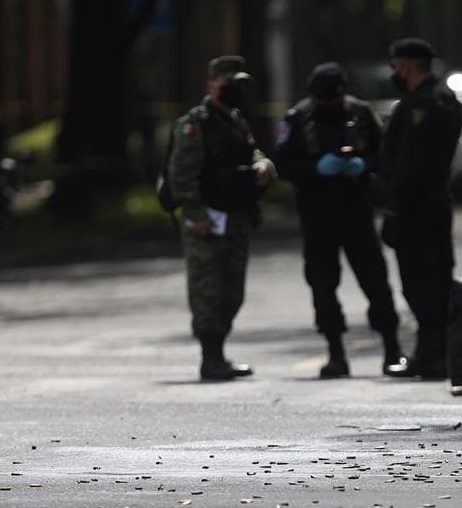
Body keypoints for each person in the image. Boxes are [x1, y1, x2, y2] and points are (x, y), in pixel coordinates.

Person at [274, 62, 405, 379]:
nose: (328, 105)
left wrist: (363, 164)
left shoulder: (360, 113)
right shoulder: (298, 118)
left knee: (375, 280)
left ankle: (392, 349)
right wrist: (316, 169)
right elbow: (283, 163)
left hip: (356, 210)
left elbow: (384, 153)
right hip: (316, 214)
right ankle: (335, 353)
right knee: (322, 284)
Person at [169, 55, 276, 381]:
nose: (235, 90)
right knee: (207, 291)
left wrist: (264, 165)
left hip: (236, 217)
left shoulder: (237, 120)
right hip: (207, 221)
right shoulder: (194, 125)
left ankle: (220, 352)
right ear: (212, 85)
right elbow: (181, 176)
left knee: (233, 292)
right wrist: (196, 214)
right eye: (229, 84)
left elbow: (253, 151)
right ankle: (210, 357)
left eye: (239, 84)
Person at [379, 38, 462, 380]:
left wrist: (394, 210)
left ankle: (433, 355)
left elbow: (410, 166)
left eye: (395, 67)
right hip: (435, 203)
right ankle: (432, 352)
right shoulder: (444, 97)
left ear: (406, 67)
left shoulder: (422, 105)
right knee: (435, 278)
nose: (394, 74)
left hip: (416, 208)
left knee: (421, 282)